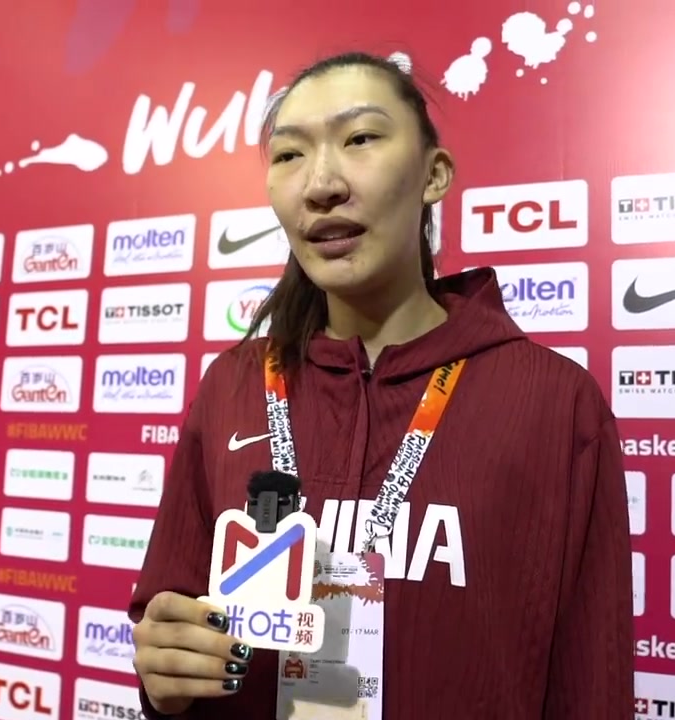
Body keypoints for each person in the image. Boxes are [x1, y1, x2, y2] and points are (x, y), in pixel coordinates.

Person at [128, 50, 633, 719]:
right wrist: (163, 671)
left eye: (361, 138)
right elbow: (168, 623)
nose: (321, 183)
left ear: (434, 174)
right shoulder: (233, 385)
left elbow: (590, 681)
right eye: (289, 154)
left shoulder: (554, 401)